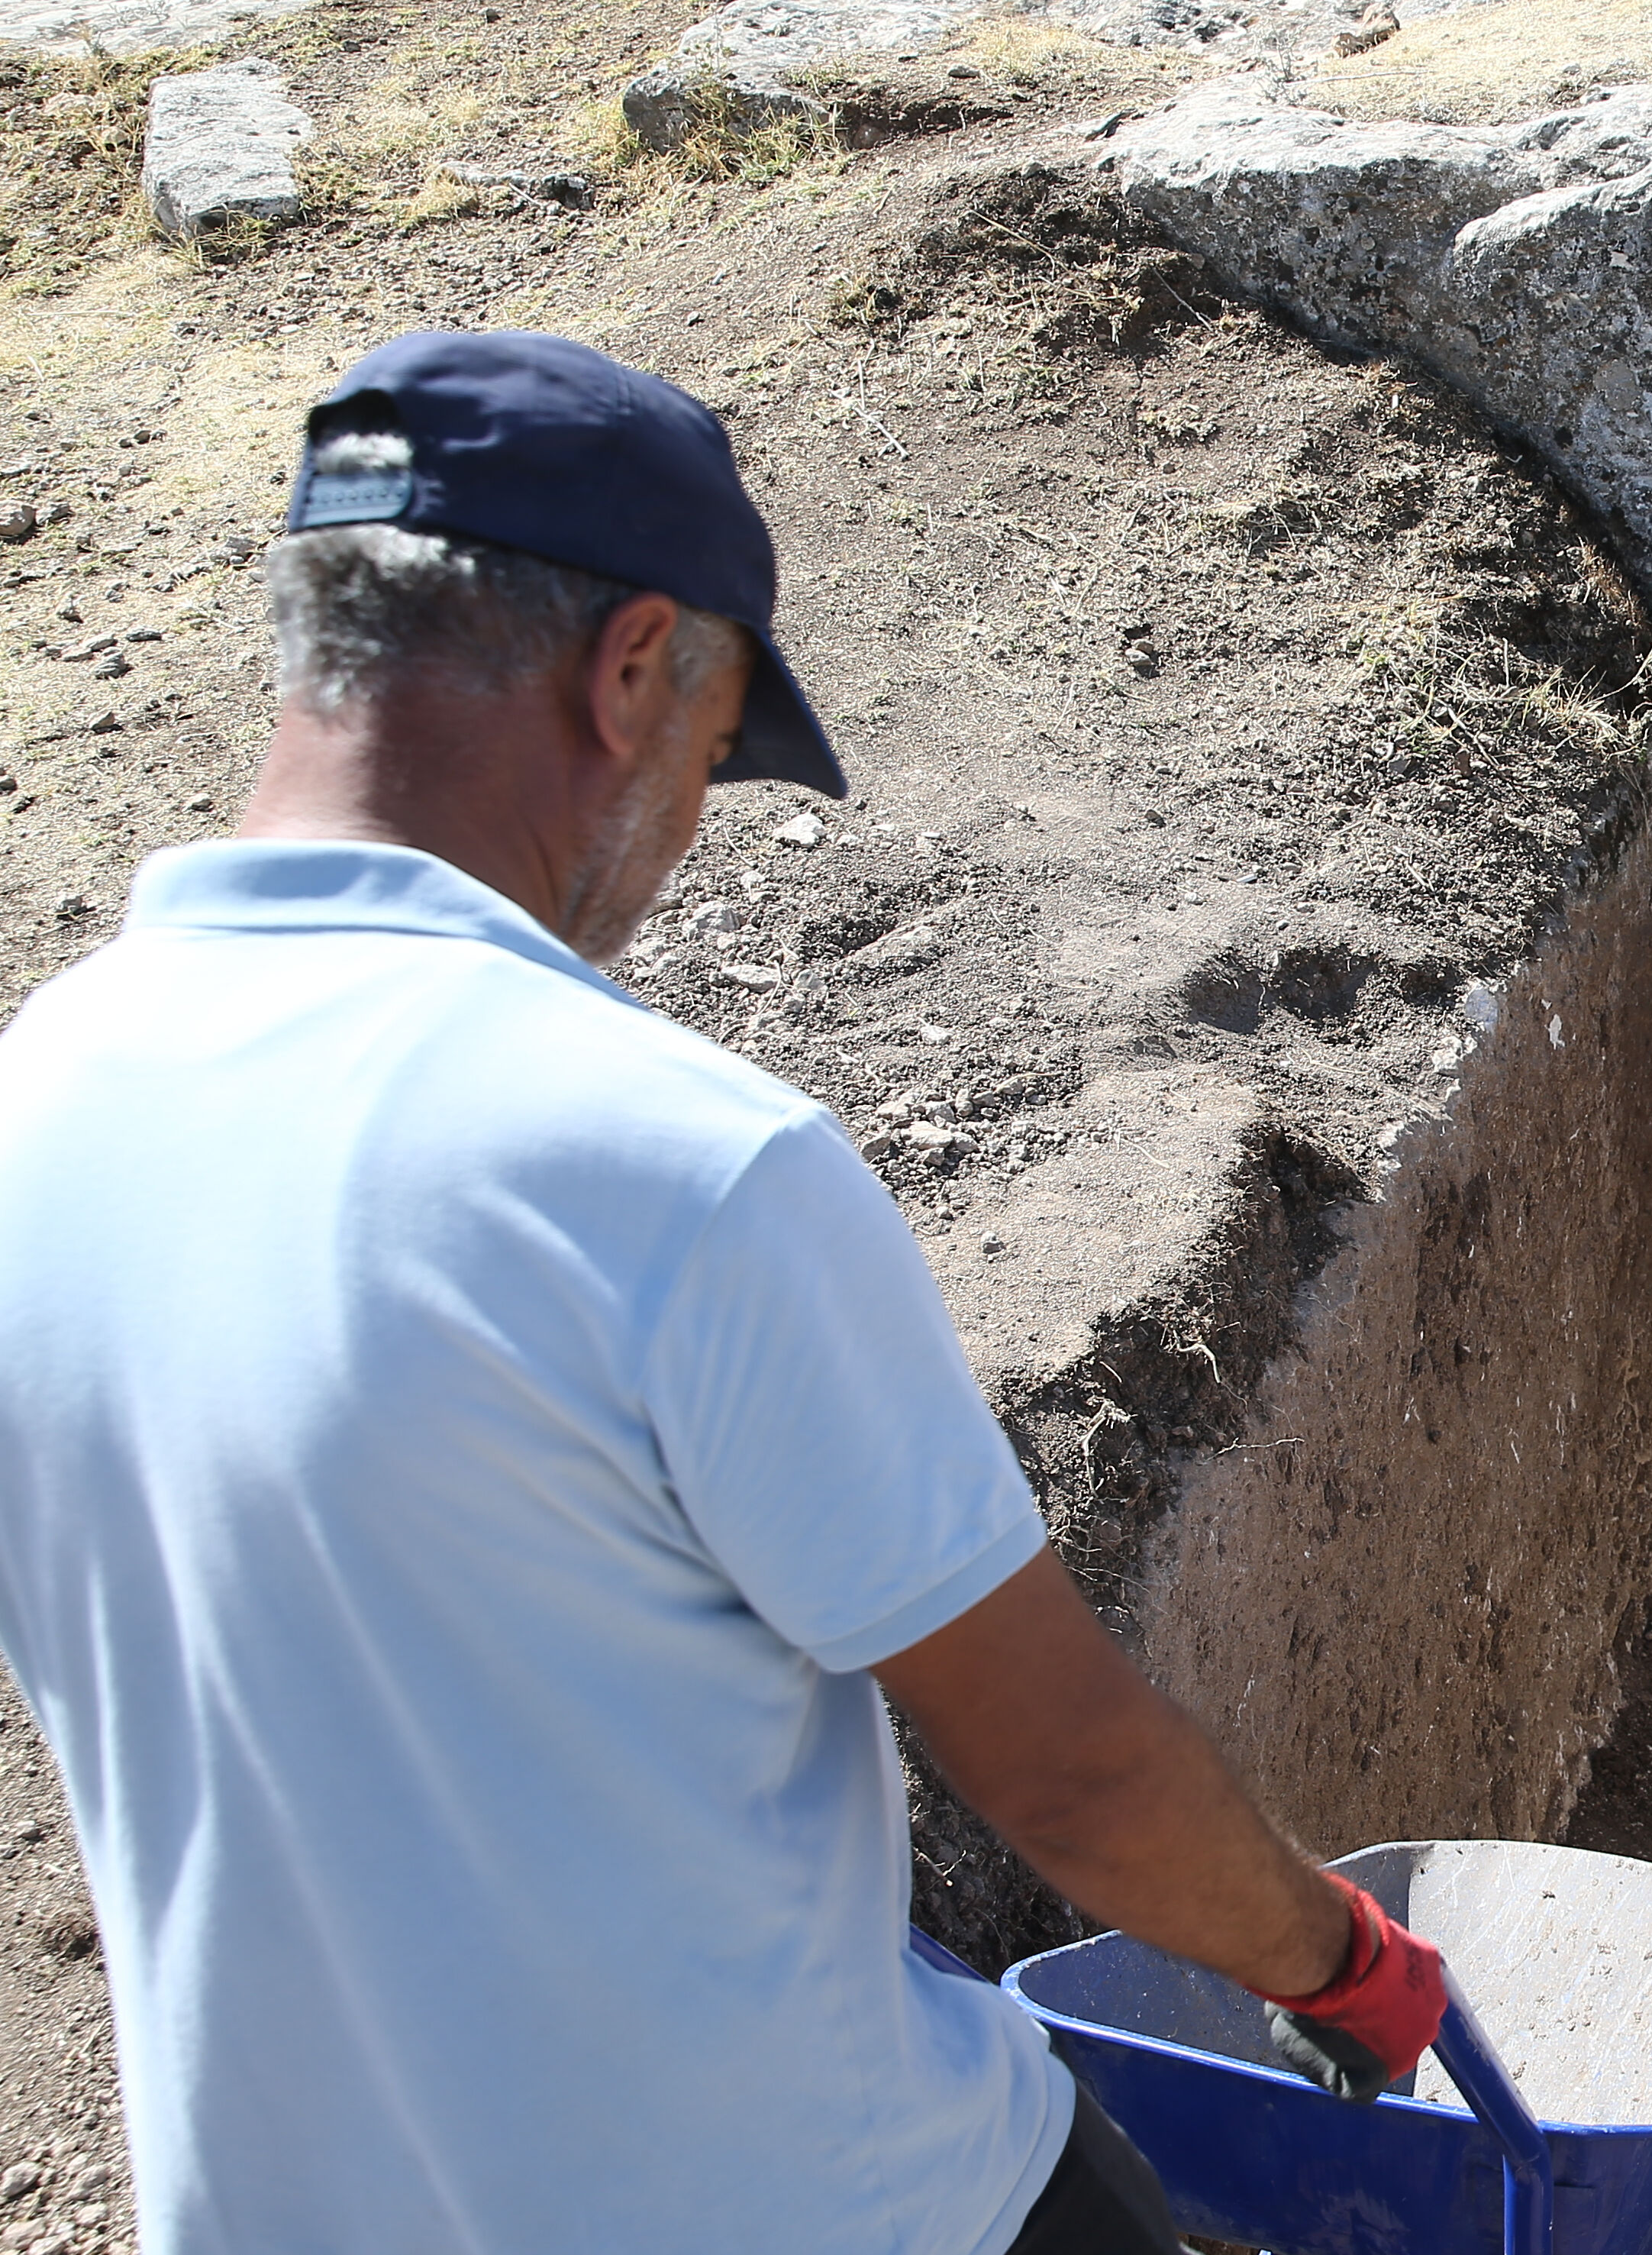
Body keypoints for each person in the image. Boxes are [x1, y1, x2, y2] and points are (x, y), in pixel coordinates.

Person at [0, 331, 1444, 2254]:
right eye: (712, 744)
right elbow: (1074, 1774)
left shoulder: (40, 1103)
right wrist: (1344, 1963)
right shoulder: (672, 1161)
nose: (685, 835)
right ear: (628, 672)